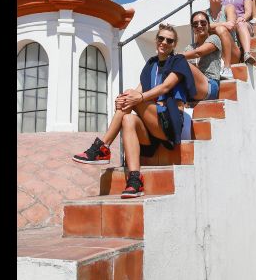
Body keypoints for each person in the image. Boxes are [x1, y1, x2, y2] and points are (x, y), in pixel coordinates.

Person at [72, 23, 196, 199]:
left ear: (174, 44)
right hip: (150, 127)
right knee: (128, 117)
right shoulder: (150, 64)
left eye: (170, 40)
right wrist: (123, 100)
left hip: (168, 123)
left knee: (133, 97)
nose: (164, 42)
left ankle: (102, 147)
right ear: (156, 40)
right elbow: (138, 91)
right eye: (161, 38)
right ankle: (135, 181)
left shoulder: (178, 61)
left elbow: (165, 87)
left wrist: (136, 98)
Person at [182, 11, 222, 101]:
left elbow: (199, 53)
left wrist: (176, 56)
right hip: (191, 86)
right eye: (195, 24)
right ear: (193, 28)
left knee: (179, 61)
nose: (199, 26)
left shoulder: (214, 38)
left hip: (210, 84)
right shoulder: (189, 48)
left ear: (208, 24)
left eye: (203, 23)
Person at [221, 0, 256, 65]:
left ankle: (246, 54)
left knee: (240, 24)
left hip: (243, 23)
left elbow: (248, 12)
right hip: (228, 24)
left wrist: (242, 18)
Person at [204, 0, 238, 79]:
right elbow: (200, 29)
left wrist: (210, 27)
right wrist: (223, 24)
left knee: (220, 30)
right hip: (214, 53)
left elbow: (231, 25)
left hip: (233, 53)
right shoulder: (204, 13)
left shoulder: (228, 8)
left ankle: (227, 68)